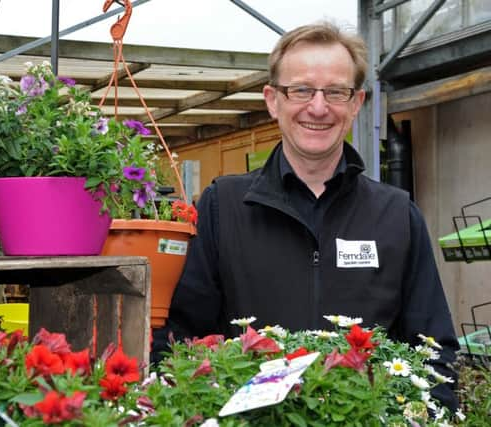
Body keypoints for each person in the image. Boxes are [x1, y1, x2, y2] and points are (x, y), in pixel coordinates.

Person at [152, 22, 459, 410]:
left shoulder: (397, 214)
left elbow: (435, 353)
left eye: (335, 91)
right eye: (301, 90)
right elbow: (179, 338)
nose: (318, 107)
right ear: (272, 100)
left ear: (356, 103)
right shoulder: (222, 206)